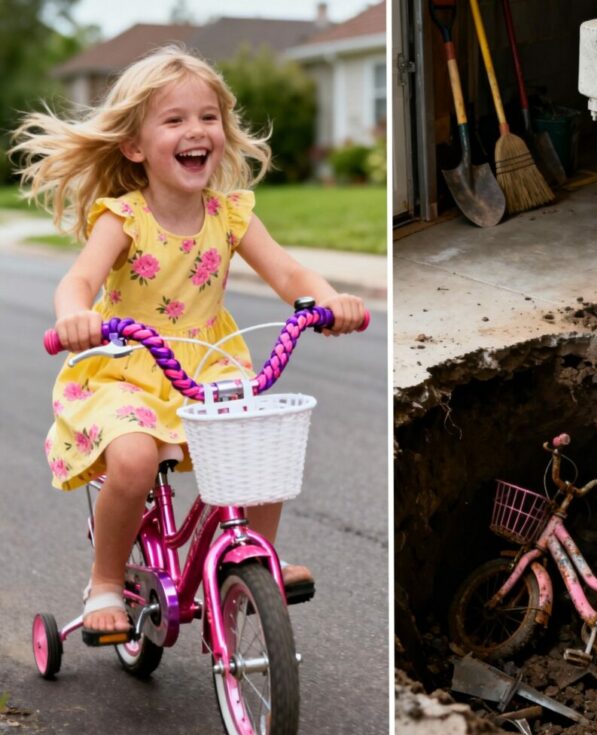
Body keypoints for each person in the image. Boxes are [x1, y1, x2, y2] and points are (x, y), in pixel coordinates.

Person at [10, 45, 366, 641]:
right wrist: (75, 315)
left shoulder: (230, 215)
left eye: (208, 117)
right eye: (174, 120)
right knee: (134, 458)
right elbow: (79, 280)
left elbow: (289, 275)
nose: (196, 131)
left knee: (263, 443)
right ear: (135, 145)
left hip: (206, 367)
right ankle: (103, 581)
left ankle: (248, 565)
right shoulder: (123, 218)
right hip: (124, 371)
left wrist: (329, 300)